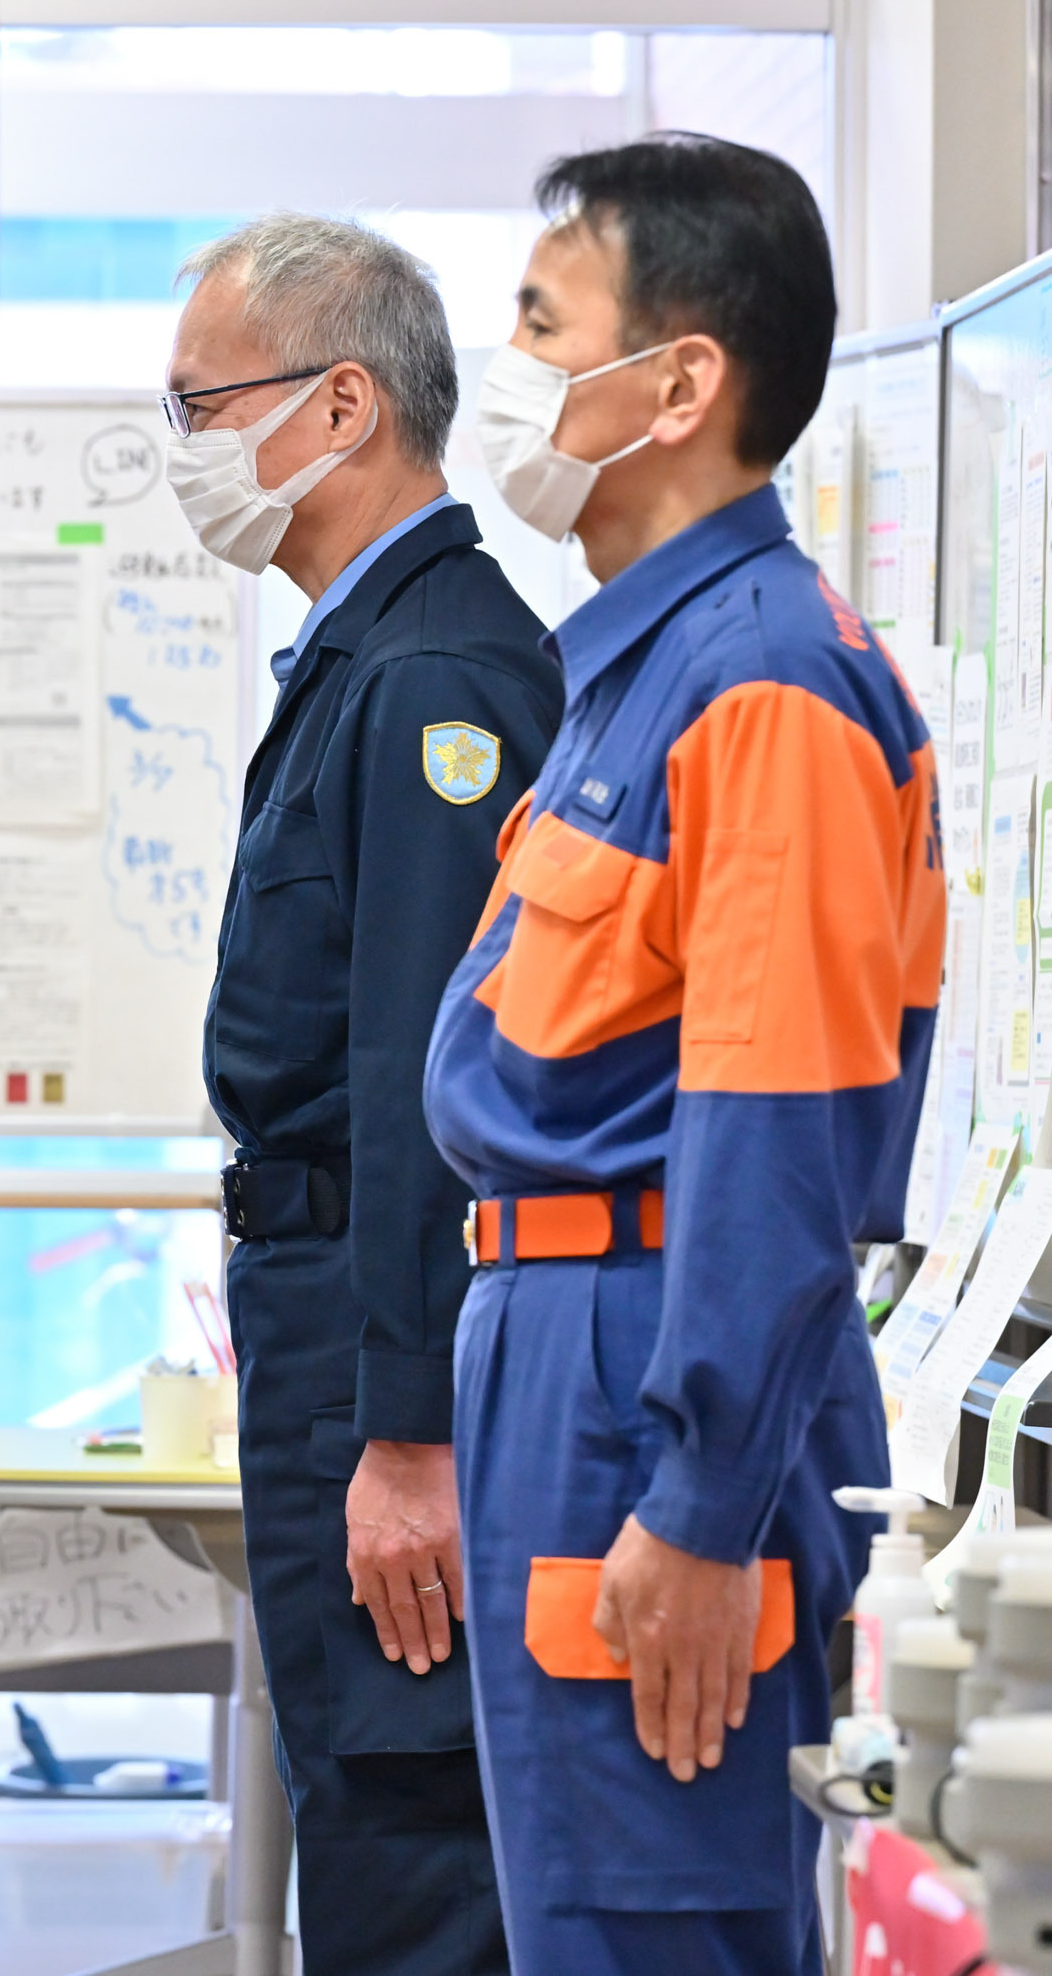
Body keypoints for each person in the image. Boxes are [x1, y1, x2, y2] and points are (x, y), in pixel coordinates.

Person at [425, 135, 940, 1974]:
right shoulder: (648, 667)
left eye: (544, 323)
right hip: (570, 1351)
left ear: (682, 381)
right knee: (582, 1907)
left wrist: (702, 1504)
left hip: (649, 1368)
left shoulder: (768, 686)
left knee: (655, 1920)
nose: (512, 365)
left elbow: (779, 1119)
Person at [172, 214, 560, 1975]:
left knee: (411, 1829)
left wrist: (412, 1433)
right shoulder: (362, 651)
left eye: (200, 406)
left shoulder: (433, 678)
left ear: (340, 407)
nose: (182, 452)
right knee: (361, 1793)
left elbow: (437, 1088)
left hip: (385, 1366)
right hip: (328, 1323)